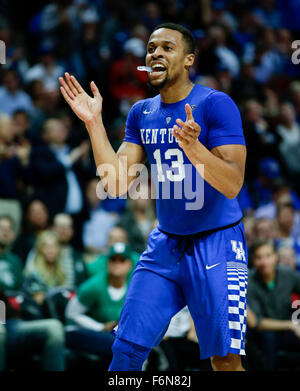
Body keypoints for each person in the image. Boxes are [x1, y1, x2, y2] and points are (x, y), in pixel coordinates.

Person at [59, 22, 248, 371]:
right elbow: (115, 184)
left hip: (217, 242)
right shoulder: (141, 113)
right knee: (126, 351)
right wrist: (94, 123)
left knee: (224, 361)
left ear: (189, 59)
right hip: (166, 245)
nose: (155, 53)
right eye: (151, 48)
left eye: (166, 47)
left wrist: (195, 149)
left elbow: (233, 184)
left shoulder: (216, 104)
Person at [65, 242, 137, 367]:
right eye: (113, 259)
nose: (117, 264)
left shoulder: (134, 287)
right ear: (107, 262)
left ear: (130, 264)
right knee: (121, 347)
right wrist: (99, 327)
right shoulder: (94, 286)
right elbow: (71, 313)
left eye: (122, 260)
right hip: (84, 332)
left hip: (113, 335)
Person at [247, 239, 300, 370]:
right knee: (268, 338)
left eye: (268, 256)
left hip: (287, 329)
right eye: (259, 257)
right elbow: (257, 323)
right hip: (263, 332)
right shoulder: (249, 281)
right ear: (253, 260)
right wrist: (291, 325)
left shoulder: (288, 274)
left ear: (276, 257)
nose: (264, 262)